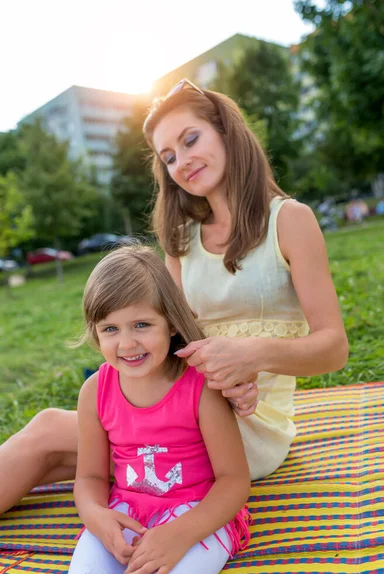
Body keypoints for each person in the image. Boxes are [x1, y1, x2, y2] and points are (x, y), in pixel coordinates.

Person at [0, 79, 348, 513]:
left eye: (190, 140)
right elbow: (173, 342)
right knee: (56, 454)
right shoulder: (182, 239)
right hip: (181, 405)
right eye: (169, 157)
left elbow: (333, 348)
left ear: (225, 131)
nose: (182, 162)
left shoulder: (290, 220)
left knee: (49, 431)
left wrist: (250, 356)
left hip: (245, 426)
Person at [59, 244, 250, 574]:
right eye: (110, 328)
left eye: (142, 324)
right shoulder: (94, 392)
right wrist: (95, 516)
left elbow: (234, 481)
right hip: (125, 515)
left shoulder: (200, 386)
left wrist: (180, 533)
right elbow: (91, 477)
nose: (127, 343)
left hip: (199, 518)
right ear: (95, 332)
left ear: (172, 324)